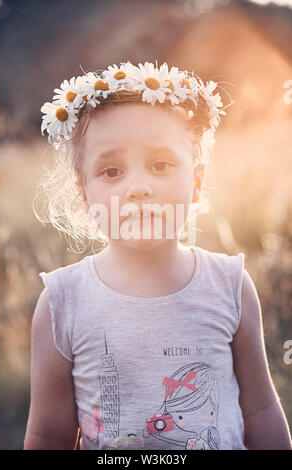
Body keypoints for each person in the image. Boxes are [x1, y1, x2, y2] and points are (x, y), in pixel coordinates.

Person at [23, 61, 292, 450]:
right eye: (112, 171)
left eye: (160, 165)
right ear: (85, 196)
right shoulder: (62, 302)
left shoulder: (229, 286)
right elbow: (49, 433)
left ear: (196, 181)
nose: (139, 187)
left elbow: (261, 408)